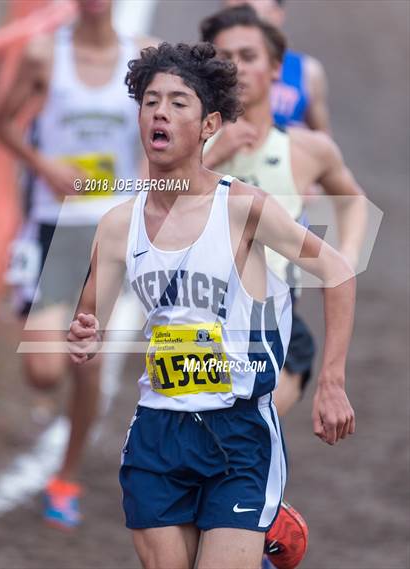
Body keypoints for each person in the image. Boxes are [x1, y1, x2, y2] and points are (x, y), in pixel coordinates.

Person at [67, 41, 356, 569]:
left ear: (209, 125)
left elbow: (336, 272)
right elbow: (91, 321)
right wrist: (85, 336)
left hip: (238, 433)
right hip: (158, 432)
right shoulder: (117, 226)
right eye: (151, 101)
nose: (160, 111)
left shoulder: (241, 207)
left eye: (179, 102)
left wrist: (332, 383)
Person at [0, 0, 156, 529]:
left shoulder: (143, 57)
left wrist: (146, 181)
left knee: (85, 354)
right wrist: (43, 165)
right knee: (43, 370)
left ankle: (66, 476)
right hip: (52, 226)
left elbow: (169, 126)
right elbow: (0, 120)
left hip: (108, 228)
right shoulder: (45, 54)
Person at [201, 4, 366, 418]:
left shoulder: (307, 149)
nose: (236, 68)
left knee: (247, 432)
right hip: (197, 322)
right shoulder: (185, 146)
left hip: (275, 326)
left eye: (249, 57)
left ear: (275, 68)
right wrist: (212, 156)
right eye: (224, 59)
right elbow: (149, 206)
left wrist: (344, 256)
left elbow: (354, 200)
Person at [224, 0, 331, 132]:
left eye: (249, 57)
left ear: (277, 15)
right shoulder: (211, 67)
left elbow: (322, 134)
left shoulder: (307, 69)